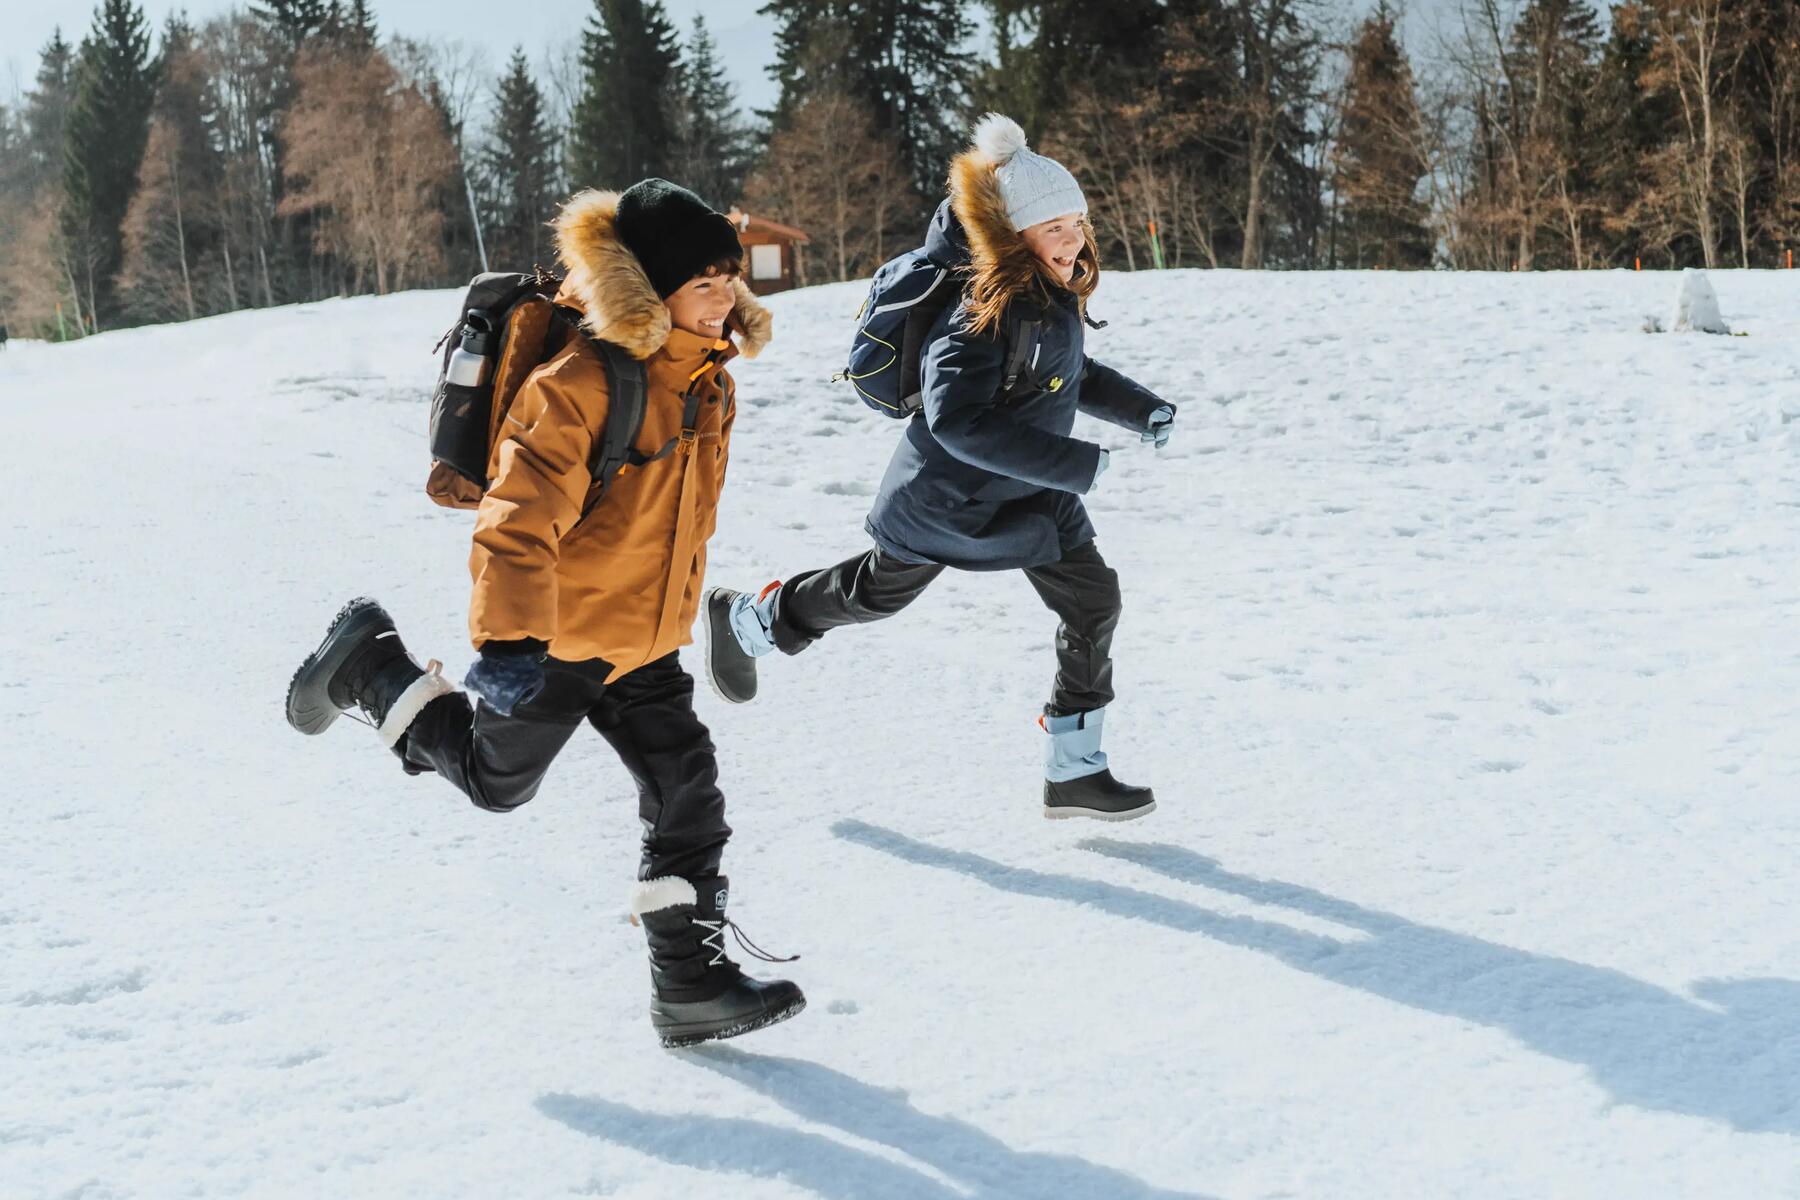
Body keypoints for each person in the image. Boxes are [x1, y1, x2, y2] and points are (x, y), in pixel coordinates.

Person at [284, 179, 804, 1047]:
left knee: (687, 790)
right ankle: (370, 668)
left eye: (731, 277)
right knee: (495, 784)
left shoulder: (706, 380)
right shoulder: (581, 384)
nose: (728, 297)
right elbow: (514, 526)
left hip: (641, 642)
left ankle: (690, 988)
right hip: (557, 640)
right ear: (651, 288)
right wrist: (513, 644)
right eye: (706, 281)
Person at [703, 115, 1175, 822]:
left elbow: (1072, 374)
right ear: (1014, 235)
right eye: (1055, 228)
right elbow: (956, 421)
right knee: (874, 595)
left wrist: (1143, 411)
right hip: (947, 499)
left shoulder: (1052, 298)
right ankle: (750, 622)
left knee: (1093, 600)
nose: (1074, 239)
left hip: (1035, 491)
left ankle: (1075, 768)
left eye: (1077, 222)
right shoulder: (977, 313)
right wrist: (1078, 463)